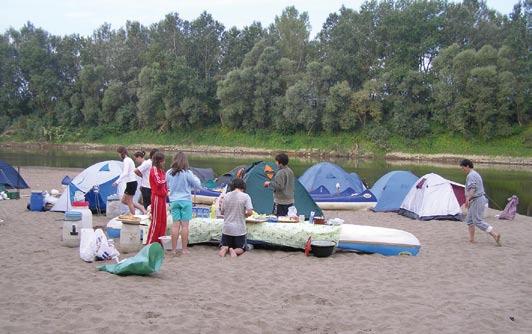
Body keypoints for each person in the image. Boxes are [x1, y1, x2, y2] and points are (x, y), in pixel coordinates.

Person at [460, 159, 501, 246]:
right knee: (470, 220)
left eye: (462, 167)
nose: (462, 169)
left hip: (477, 199)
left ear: (467, 166)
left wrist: (468, 199)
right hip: (476, 199)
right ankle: (471, 239)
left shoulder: (471, 175)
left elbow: (473, 188)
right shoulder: (474, 174)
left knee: (477, 221)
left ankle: (495, 234)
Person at [166, 152, 201, 254]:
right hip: (186, 201)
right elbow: (197, 184)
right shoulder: (187, 173)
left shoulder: (168, 172)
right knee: (185, 226)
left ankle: (173, 249)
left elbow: (167, 185)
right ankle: (184, 249)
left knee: (175, 225)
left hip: (174, 201)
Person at [219, 178, 253, 258]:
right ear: (243, 187)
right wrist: (245, 215)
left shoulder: (226, 196)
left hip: (227, 228)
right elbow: (250, 212)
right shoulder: (245, 196)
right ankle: (234, 251)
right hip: (239, 229)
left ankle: (225, 248)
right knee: (241, 248)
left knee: (223, 245)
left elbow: (222, 212)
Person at [113, 146, 146, 215]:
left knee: (129, 202)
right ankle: (141, 208)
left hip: (131, 183)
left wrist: (117, 181)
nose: (118, 155)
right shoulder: (128, 160)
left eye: (118, 153)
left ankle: (134, 216)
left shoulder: (127, 160)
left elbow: (125, 173)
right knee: (123, 200)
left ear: (121, 153)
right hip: (130, 183)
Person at [145, 152, 168, 245]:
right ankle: (150, 242)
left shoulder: (162, 171)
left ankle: (159, 241)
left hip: (163, 197)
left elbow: (164, 184)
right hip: (157, 197)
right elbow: (159, 182)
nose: (164, 162)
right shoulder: (154, 169)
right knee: (156, 220)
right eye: (163, 161)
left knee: (163, 220)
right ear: (159, 161)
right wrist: (167, 178)